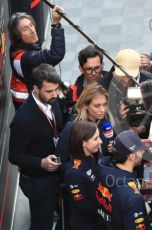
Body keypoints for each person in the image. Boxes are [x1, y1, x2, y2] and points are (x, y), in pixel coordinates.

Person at [8, 63, 63, 230]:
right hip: (38, 182)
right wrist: (41, 163)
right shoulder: (23, 120)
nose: (55, 95)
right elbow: (14, 156)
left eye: (56, 89)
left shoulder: (54, 101)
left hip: (56, 176)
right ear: (36, 89)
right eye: (49, 91)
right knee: (42, 223)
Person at [7, 6, 65, 109]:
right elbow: (55, 54)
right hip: (32, 107)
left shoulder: (17, 46)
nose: (32, 30)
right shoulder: (26, 58)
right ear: (17, 36)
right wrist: (56, 25)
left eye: (31, 25)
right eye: (26, 29)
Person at [96, 130, 149, 230]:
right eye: (140, 149)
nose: (143, 151)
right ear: (132, 156)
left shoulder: (102, 170)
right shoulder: (132, 197)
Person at [56, 83, 115, 163]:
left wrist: (113, 148)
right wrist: (80, 169)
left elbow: (112, 141)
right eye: (97, 106)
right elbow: (61, 160)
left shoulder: (107, 120)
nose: (102, 110)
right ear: (85, 105)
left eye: (104, 105)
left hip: (105, 171)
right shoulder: (72, 127)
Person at [107, 48, 152, 136]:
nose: (126, 80)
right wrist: (119, 120)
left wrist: (145, 126)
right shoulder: (104, 87)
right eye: (123, 74)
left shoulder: (150, 81)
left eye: (131, 75)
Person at [64, 121, 102, 230]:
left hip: (98, 219)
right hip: (85, 225)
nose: (100, 141)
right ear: (83, 142)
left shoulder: (92, 156)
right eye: (96, 138)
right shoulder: (73, 173)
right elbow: (83, 205)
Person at [65, 45, 112, 110]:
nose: (93, 73)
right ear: (81, 69)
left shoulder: (114, 83)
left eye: (97, 68)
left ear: (102, 65)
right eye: (89, 69)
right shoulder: (72, 94)